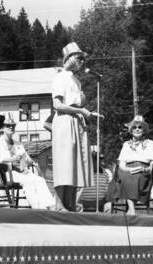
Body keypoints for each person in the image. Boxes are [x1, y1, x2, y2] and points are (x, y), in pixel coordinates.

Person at [51, 42, 97, 211]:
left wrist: (87, 113)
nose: (82, 62)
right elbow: (58, 105)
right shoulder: (60, 77)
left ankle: (70, 204)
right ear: (69, 58)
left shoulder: (76, 81)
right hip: (64, 121)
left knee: (76, 165)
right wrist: (82, 111)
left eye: (83, 59)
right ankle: (59, 205)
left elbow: (77, 104)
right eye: (79, 58)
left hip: (77, 122)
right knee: (65, 163)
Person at [0, 114, 56, 210]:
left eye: (13, 125)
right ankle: (38, 209)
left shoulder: (18, 144)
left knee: (40, 180)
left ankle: (50, 207)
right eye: (8, 125)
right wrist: (12, 159)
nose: (11, 127)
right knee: (29, 181)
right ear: (2, 128)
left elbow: (27, 159)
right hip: (6, 173)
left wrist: (29, 162)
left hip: (21, 172)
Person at [103, 115, 153, 215]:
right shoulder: (126, 144)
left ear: (144, 130)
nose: (137, 129)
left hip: (143, 169)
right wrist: (126, 169)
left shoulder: (150, 143)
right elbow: (122, 162)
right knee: (119, 175)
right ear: (131, 130)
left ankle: (131, 209)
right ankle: (109, 204)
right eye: (134, 127)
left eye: (140, 127)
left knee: (129, 177)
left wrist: (149, 168)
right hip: (127, 168)